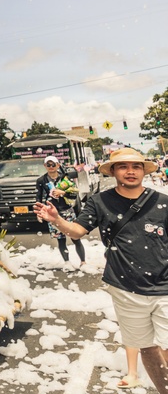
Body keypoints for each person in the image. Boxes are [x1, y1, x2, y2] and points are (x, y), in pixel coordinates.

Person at [35, 147, 168, 394]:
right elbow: (77, 231)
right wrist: (56, 220)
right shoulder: (100, 202)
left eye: (136, 166)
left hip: (165, 287)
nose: (130, 171)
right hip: (125, 287)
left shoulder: (162, 202)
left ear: (143, 170)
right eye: (124, 167)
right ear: (114, 171)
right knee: (146, 347)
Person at [34, 155, 86, 267]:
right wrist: (39, 213)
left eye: (53, 164)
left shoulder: (65, 178)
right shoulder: (41, 180)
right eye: (48, 164)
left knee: (75, 237)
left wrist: (63, 193)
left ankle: (83, 261)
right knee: (60, 239)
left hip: (67, 210)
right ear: (45, 166)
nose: (51, 167)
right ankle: (67, 262)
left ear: (58, 165)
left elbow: (74, 193)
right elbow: (38, 197)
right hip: (52, 213)